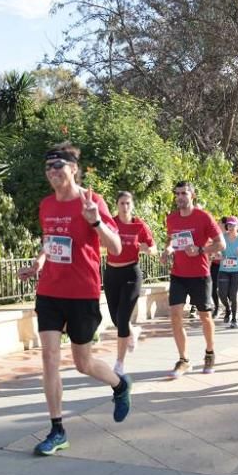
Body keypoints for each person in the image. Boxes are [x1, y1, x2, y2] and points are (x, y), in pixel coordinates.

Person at [17, 143, 132, 456]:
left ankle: (119, 385)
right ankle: (57, 430)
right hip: (50, 291)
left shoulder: (92, 201)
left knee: (83, 363)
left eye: (58, 166)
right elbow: (50, 241)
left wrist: (95, 221)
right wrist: (39, 262)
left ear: (73, 169)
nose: (52, 172)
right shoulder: (46, 205)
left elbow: (117, 247)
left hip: (82, 293)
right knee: (49, 358)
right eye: (48, 168)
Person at [162, 181, 225, 377]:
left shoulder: (203, 217)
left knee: (205, 316)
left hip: (200, 274)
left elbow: (221, 244)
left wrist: (200, 250)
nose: (180, 197)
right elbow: (172, 240)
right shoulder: (171, 219)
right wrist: (167, 250)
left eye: (184, 193)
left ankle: (210, 352)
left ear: (192, 195)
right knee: (175, 315)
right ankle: (184, 360)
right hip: (178, 274)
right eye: (177, 194)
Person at [106, 191, 156, 377]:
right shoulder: (111, 224)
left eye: (128, 203)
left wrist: (147, 249)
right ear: (116, 205)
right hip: (111, 273)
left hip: (131, 274)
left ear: (132, 205)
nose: (125, 207)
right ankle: (132, 331)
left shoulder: (139, 225)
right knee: (115, 319)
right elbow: (100, 242)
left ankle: (119, 363)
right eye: (122, 203)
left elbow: (154, 248)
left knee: (122, 316)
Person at [217, 216, 238, 328]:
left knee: (233, 295)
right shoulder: (222, 237)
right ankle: (228, 309)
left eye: (233, 225)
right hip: (224, 270)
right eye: (229, 225)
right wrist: (219, 255)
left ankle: (234, 318)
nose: (230, 227)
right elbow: (218, 252)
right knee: (222, 294)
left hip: (237, 270)